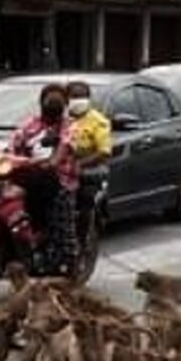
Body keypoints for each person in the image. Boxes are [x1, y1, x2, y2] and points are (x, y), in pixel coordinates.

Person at [9, 83, 78, 273]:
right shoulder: (30, 124)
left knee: (61, 225)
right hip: (31, 176)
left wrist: (53, 162)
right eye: (49, 100)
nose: (53, 105)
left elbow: (65, 145)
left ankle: (66, 266)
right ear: (41, 103)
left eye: (58, 101)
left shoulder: (69, 126)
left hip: (60, 180)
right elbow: (14, 144)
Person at [67, 80, 112, 248]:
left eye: (81, 96)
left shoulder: (98, 121)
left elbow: (104, 152)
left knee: (84, 198)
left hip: (90, 169)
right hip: (62, 167)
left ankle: (82, 238)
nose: (78, 100)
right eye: (74, 96)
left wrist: (80, 164)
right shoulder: (63, 118)